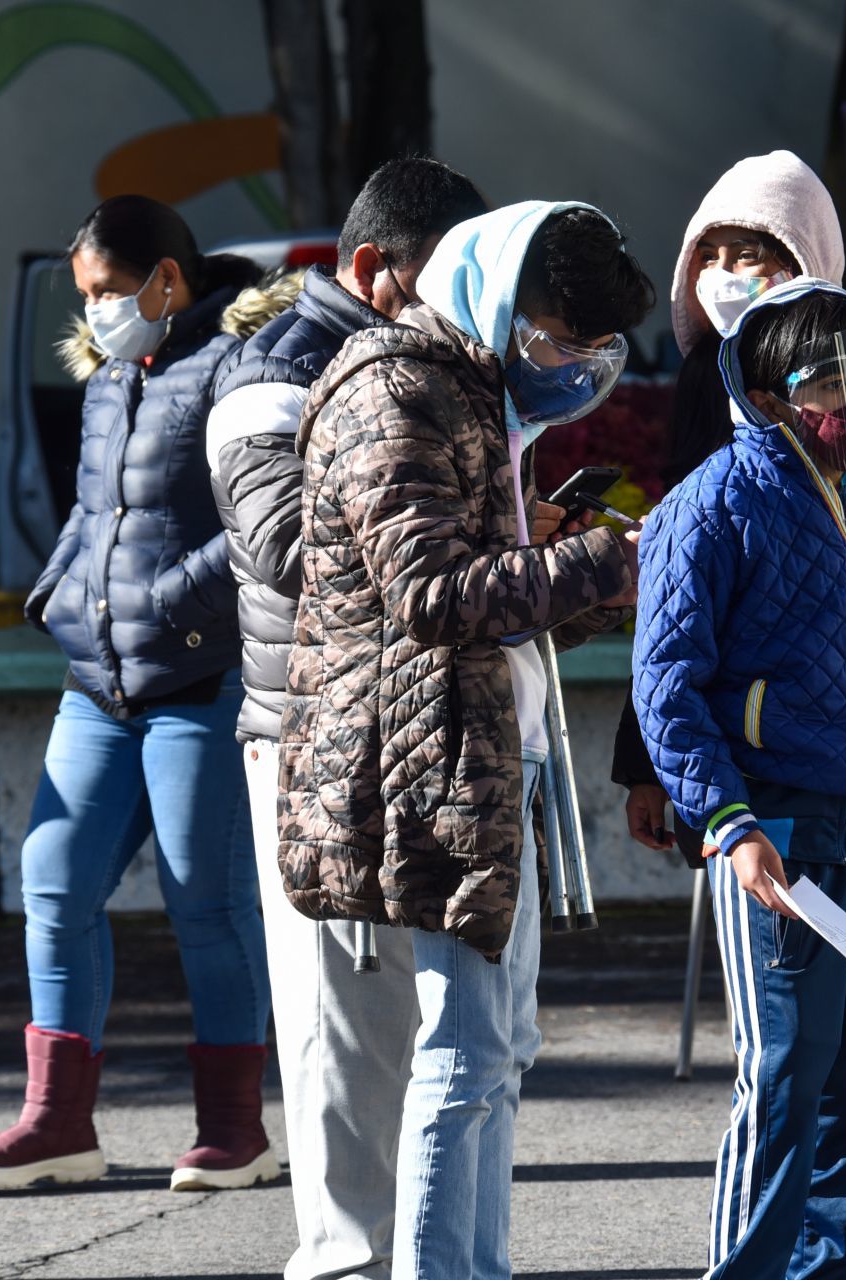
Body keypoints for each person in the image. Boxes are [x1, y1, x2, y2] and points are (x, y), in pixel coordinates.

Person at [280, 201, 654, 1280]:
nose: (571, 365)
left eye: (594, 350)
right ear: (493, 295)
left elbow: (502, 595)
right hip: (423, 757)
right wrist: (601, 563)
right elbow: (433, 595)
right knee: (462, 1046)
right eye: (555, 339)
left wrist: (597, 573)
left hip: (488, 749)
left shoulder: (472, 387)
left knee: (498, 1047)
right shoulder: (397, 389)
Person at [632, 280, 846, 1280]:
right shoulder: (710, 503)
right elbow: (666, 689)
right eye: (841, 381)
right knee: (784, 1075)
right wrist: (727, 823)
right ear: (775, 396)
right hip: (776, 840)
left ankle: (833, 1264)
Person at [0, 195, 275, 1194]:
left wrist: (164, 599)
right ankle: (56, 1125)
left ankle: (234, 1130)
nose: (91, 314)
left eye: (104, 292)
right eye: (84, 296)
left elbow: (264, 521)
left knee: (204, 902)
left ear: (165, 280)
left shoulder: (240, 368)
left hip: (200, 681)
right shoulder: (104, 383)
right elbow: (92, 513)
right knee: (53, 879)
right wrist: (58, 592)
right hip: (97, 683)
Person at [206, 156, 487, 1280]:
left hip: (417, 720)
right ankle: (341, 1261)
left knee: (448, 1038)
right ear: (373, 269)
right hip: (311, 734)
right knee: (338, 1031)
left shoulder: (436, 363)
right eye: (446, 282)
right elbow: (281, 545)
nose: (466, 311)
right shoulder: (268, 368)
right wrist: (428, 526)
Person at [615, 151, 846, 873]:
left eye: (748, 254)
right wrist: (646, 762)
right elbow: (680, 615)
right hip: (752, 779)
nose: (723, 274)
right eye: (706, 256)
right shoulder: (707, 379)